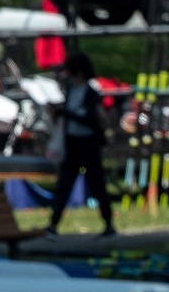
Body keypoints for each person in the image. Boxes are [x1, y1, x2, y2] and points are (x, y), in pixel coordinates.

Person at [45, 51, 116, 238]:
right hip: (72, 143)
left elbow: (92, 118)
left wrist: (68, 114)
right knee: (65, 184)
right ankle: (53, 224)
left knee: (97, 184)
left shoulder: (91, 92)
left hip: (88, 144)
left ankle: (108, 222)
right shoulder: (70, 90)